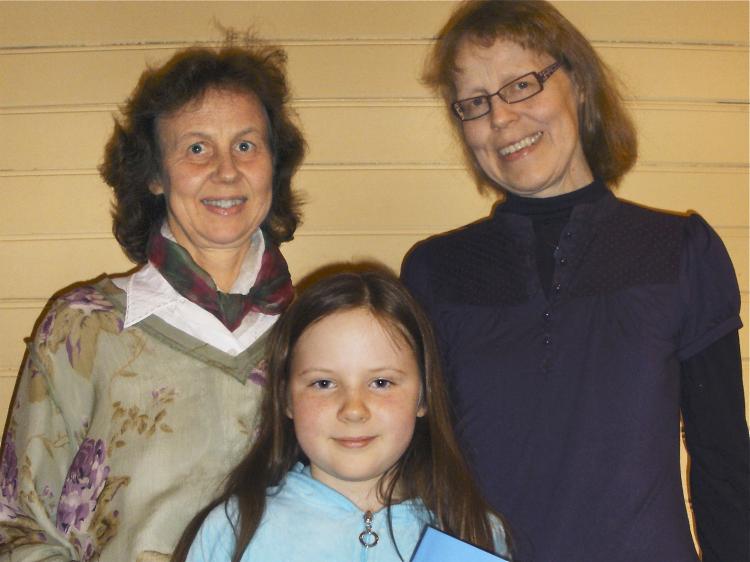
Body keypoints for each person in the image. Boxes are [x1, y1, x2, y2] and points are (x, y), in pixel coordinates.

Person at [401, 2, 749, 561]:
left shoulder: (680, 252)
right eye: (475, 103)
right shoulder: (434, 271)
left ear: (579, 83)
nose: (501, 119)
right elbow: (408, 464)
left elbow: (724, 464)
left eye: (522, 84)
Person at [0, 37, 305, 561]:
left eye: (247, 145)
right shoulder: (84, 330)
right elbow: (16, 527)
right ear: (155, 176)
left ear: (272, 166)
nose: (227, 170)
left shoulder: (318, 332)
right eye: (196, 148)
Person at [170, 269, 511, 562]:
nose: (353, 409)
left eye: (380, 382)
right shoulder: (234, 530)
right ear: (286, 398)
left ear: (423, 396)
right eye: (324, 383)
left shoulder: (472, 532)